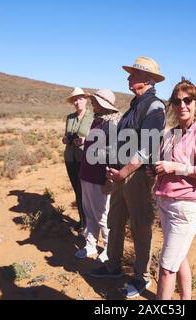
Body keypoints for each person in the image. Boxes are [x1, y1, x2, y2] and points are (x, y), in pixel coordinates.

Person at [90, 56, 167, 299]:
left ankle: (141, 277)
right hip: (121, 176)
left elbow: (147, 147)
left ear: (146, 79)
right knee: (115, 222)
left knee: (140, 227)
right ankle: (113, 266)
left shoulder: (155, 107)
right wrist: (113, 175)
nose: (128, 78)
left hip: (136, 177)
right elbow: (120, 144)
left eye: (133, 74)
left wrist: (123, 172)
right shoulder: (134, 106)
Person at [148, 79, 196, 300]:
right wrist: (157, 171)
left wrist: (177, 167)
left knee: (167, 267)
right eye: (177, 101)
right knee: (179, 258)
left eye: (188, 100)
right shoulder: (171, 134)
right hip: (165, 203)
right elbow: (164, 164)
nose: (182, 105)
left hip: (185, 206)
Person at [76, 89, 122, 262]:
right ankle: (90, 245)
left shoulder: (111, 124)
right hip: (87, 173)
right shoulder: (98, 120)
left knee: (103, 216)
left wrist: (109, 180)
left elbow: (113, 153)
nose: (92, 104)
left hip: (99, 177)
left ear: (104, 104)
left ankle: (109, 250)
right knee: (89, 213)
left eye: (95, 101)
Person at [62, 88, 94, 233]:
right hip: (70, 157)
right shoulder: (69, 117)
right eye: (75, 99)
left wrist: (85, 140)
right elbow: (65, 135)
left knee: (86, 192)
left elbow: (98, 138)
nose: (77, 101)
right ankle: (82, 221)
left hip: (85, 159)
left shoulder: (93, 117)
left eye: (80, 98)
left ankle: (90, 224)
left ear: (86, 100)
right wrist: (65, 139)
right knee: (77, 190)